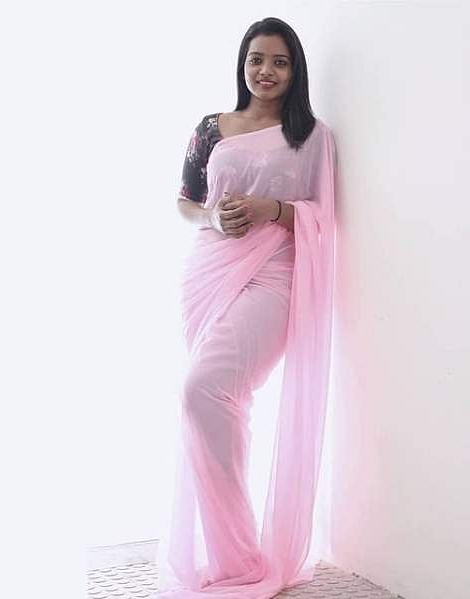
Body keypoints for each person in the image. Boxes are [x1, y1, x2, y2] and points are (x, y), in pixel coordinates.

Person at [153, 16, 338, 599]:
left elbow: (325, 215)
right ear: (242, 63)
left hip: (275, 275)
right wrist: (213, 217)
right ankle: (228, 553)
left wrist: (271, 211)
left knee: (202, 390)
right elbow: (185, 201)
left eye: (280, 61)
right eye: (257, 59)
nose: (266, 71)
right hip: (208, 274)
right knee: (220, 410)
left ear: (295, 70)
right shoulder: (211, 128)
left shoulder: (311, 136)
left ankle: (239, 557)